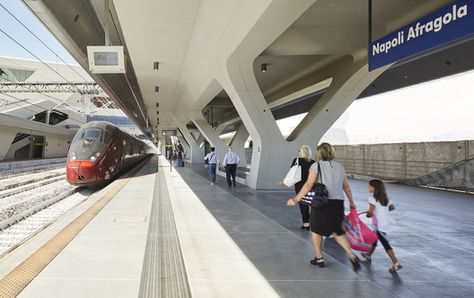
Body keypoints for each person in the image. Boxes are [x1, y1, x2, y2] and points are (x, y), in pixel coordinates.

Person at [287, 142, 360, 270]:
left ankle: (319, 257)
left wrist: (296, 199)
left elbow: (309, 185)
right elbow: (346, 187)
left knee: (316, 230)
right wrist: (352, 203)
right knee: (337, 231)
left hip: (322, 202)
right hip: (338, 203)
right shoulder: (340, 167)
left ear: (319, 153)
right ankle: (350, 254)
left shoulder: (316, 166)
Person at [361, 179, 402, 273]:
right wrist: (384, 210)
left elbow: (370, 213)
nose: (368, 187)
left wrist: (368, 214)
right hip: (385, 224)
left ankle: (396, 263)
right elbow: (392, 208)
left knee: (385, 244)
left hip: (378, 225)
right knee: (375, 239)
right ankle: (368, 254)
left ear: (375, 188)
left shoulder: (372, 199)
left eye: (370, 186)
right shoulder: (386, 198)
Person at [278, 145, 315, 230]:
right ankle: (315, 222)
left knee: (303, 205)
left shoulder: (297, 160)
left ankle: (306, 224)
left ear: (302, 152)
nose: (298, 152)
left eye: (299, 151)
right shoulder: (313, 162)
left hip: (300, 186)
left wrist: (283, 181)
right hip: (311, 185)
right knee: (312, 204)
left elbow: (290, 173)